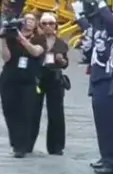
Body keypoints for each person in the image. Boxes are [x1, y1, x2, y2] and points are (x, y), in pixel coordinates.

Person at [0, 12, 45, 156]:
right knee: (10, 110)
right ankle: (15, 142)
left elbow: (36, 52)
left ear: (36, 23)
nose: (29, 22)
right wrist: (3, 38)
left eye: (32, 19)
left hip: (28, 80)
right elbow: (6, 58)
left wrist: (21, 37)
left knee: (26, 112)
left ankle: (22, 146)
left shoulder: (39, 38)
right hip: (10, 77)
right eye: (26, 19)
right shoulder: (11, 38)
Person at [32, 12, 69, 155]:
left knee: (57, 113)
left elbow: (65, 64)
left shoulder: (61, 43)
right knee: (33, 110)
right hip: (38, 78)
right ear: (40, 26)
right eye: (44, 23)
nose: (48, 26)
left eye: (51, 23)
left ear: (56, 26)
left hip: (55, 78)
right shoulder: (36, 40)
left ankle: (56, 146)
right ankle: (27, 143)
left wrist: (62, 60)